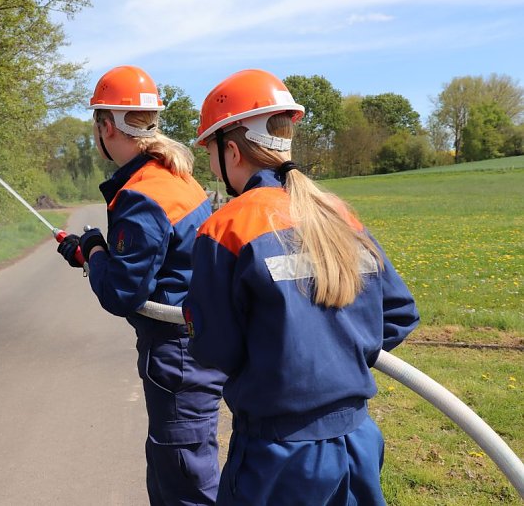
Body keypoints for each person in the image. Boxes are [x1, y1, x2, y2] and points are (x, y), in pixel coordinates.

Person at [182, 69, 420, 505]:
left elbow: (215, 349)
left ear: (231, 150)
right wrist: (337, 354)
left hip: (278, 455)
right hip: (359, 442)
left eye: (210, 155)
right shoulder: (336, 213)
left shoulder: (227, 229)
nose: (211, 167)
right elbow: (400, 312)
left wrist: (288, 357)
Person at [57, 65, 227, 505]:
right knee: (184, 467)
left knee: (183, 479)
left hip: (177, 355)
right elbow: (161, 261)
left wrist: (93, 250)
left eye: (97, 123)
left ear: (106, 125)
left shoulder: (141, 193)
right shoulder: (175, 176)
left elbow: (121, 294)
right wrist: (96, 252)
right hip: (201, 343)